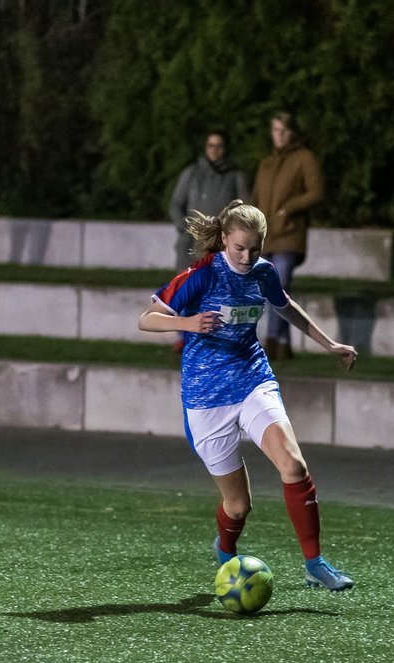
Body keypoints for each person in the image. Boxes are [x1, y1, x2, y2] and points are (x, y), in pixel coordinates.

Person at [138, 200, 356, 591]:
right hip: (207, 397)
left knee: (293, 466)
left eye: (255, 249)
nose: (246, 256)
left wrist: (330, 344)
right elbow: (146, 318)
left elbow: (284, 306)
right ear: (224, 239)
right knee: (238, 506)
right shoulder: (202, 274)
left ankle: (315, 563)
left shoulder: (262, 272)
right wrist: (187, 322)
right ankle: (225, 547)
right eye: (239, 247)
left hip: (252, 378)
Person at [251, 112, 324, 360]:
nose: (278, 135)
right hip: (266, 234)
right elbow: (256, 196)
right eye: (274, 130)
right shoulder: (267, 163)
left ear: (292, 132)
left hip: (289, 233)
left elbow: (315, 192)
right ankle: (283, 343)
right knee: (274, 289)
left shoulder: (304, 158)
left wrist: (289, 209)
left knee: (278, 286)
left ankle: (271, 339)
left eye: (282, 130)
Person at [168, 131, 249, 270]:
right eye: (211, 145)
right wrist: (183, 226)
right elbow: (176, 204)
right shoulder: (191, 173)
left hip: (222, 242)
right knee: (189, 285)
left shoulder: (235, 176)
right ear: (205, 147)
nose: (214, 150)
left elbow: (246, 208)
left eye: (219, 146)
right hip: (192, 241)